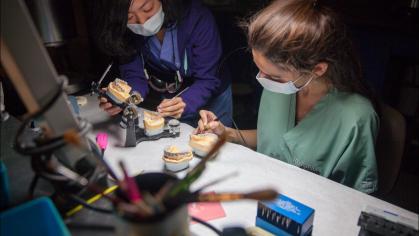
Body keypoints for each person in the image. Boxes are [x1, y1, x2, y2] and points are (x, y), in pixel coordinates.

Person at [195, 0, 379, 194]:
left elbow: (355, 200)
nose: (263, 80)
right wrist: (226, 133)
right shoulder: (279, 87)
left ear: (317, 69)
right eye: (259, 69)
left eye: (274, 76)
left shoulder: (356, 118)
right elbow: (274, 139)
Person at [92, 0, 232, 126]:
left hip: (212, 95)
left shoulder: (197, 17)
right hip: (172, 97)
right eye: (130, 17)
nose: (142, 22)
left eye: (147, 8)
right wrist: (126, 98)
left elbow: (207, 80)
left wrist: (185, 102)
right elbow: (135, 76)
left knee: (214, 143)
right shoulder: (127, 33)